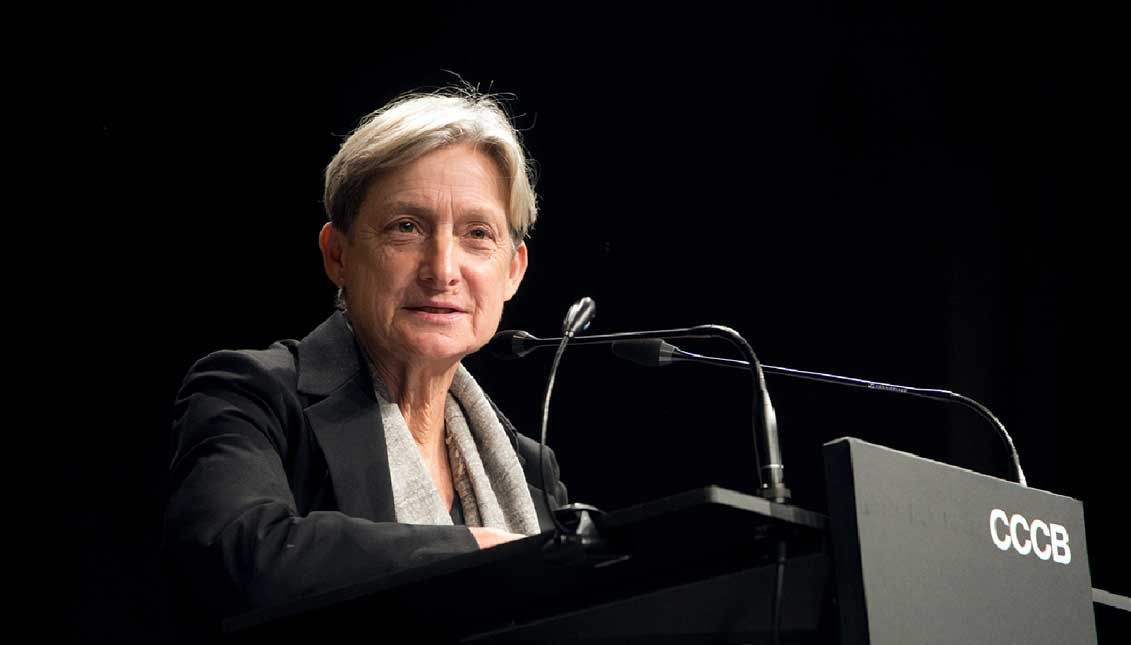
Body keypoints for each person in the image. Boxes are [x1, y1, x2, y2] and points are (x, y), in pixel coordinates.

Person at [162, 88, 568, 622]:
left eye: (476, 234)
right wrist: (472, 552)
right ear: (338, 255)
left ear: (512, 270)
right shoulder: (249, 393)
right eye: (407, 228)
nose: (442, 269)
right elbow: (245, 556)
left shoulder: (529, 467)